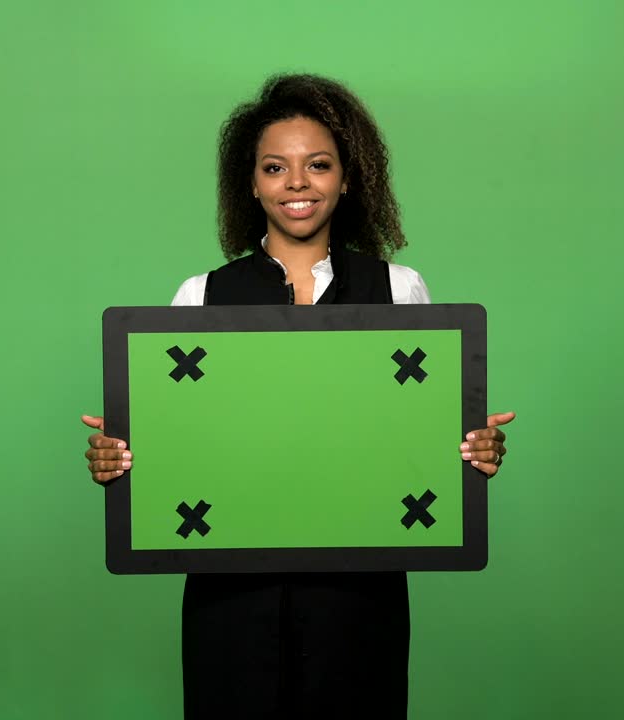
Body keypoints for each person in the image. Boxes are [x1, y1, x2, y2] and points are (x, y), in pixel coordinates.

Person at [80, 73, 515, 719]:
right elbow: (177, 443)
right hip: (230, 593)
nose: (297, 183)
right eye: (275, 167)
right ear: (251, 183)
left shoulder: (398, 289)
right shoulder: (201, 296)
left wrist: (473, 450)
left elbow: (419, 437)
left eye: (318, 164)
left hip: (359, 591)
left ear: (348, 178)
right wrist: (119, 459)